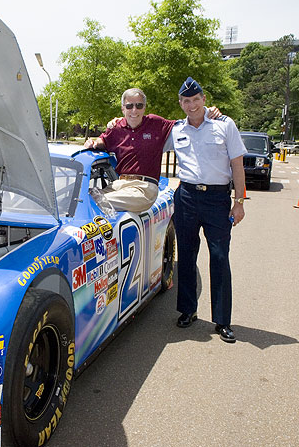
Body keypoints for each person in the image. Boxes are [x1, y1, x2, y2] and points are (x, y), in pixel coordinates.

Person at [165, 77, 246, 343]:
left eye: (196, 99)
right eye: (186, 101)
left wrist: (239, 201)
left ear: (204, 99)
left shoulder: (225, 125)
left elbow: (237, 165)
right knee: (186, 256)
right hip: (186, 197)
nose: (191, 105)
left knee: (220, 257)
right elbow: (144, 132)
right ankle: (188, 311)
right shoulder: (176, 130)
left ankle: (222, 320)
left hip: (217, 199)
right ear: (181, 103)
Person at [84, 88, 220, 212]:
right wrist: (92, 143)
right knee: (85, 198)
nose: (134, 110)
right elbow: (102, 142)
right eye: (129, 106)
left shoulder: (155, 123)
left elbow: (186, 123)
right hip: (119, 185)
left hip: (144, 189)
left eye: (139, 105)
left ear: (144, 108)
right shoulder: (116, 128)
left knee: (96, 201)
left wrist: (206, 111)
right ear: (123, 109)